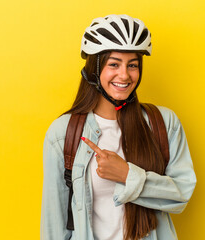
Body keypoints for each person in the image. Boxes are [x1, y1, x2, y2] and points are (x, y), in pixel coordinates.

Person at [41, 14, 196, 240]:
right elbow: (53, 224)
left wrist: (127, 175)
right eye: (114, 64)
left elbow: (182, 194)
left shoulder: (163, 123)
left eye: (132, 65)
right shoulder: (64, 133)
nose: (124, 75)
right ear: (94, 69)